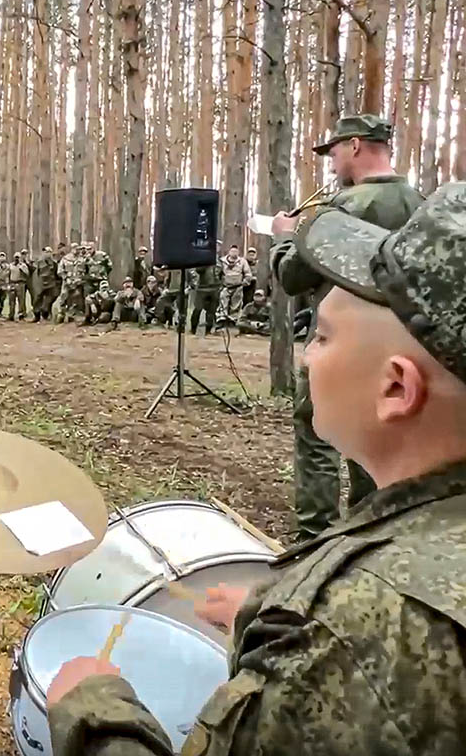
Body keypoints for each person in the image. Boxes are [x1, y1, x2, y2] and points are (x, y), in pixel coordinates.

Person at [46, 181, 466, 756]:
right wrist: (263, 611)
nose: (307, 355)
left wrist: (92, 710)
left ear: (396, 387)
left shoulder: (343, 636)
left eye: (321, 335)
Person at [271, 113, 424, 540]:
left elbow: (292, 276)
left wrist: (286, 234)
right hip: (403, 353)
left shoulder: (341, 209)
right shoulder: (423, 205)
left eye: (334, 151)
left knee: (318, 433)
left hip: (343, 346)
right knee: (374, 443)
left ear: (355, 146)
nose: (332, 163)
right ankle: (369, 534)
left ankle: (314, 540)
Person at [216, 244, 253, 329]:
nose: (234, 253)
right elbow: (217, 273)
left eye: (236, 251)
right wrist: (219, 283)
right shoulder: (222, 261)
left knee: (236, 305)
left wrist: (245, 282)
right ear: (229, 252)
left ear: (238, 252)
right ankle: (221, 321)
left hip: (238, 287)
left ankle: (233, 321)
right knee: (222, 304)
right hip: (225, 286)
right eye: (232, 251)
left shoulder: (242, 261)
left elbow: (248, 273)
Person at [188, 263, 220, 335]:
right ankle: (193, 329)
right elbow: (198, 270)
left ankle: (208, 331)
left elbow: (222, 274)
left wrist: (220, 285)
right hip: (202, 289)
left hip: (214, 289)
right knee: (198, 309)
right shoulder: (202, 262)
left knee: (211, 311)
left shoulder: (218, 262)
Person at [33, 246, 58, 322]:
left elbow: (56, 274)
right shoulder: (39, 262)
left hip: (51, 284)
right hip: (41, 284)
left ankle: (45, 314)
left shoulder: (54, 263)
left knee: (49, 300)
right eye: (45, 252)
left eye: (48, 252)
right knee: (37, 300)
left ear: (51, 253)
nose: (46, 254)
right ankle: (36, 316)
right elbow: (36, 273)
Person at [6, 252, 30, 321]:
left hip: (20, 283)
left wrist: (22, 269)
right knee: (11, 300)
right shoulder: (10, 265)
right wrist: (8, 284)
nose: (16, 259)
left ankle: (21, 315)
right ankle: (11, 315)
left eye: (18, 257)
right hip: (12, 283)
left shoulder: (23, 265)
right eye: (15, 257)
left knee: (21, 300)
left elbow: (27, 274)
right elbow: (8, 274)